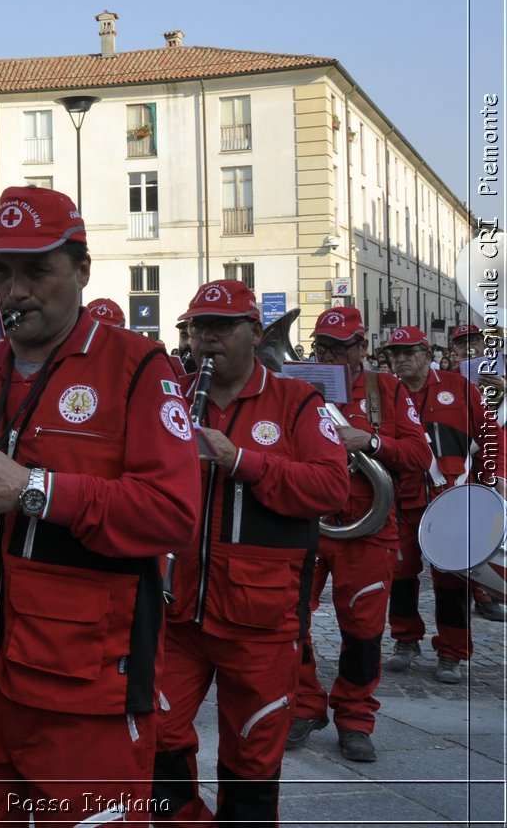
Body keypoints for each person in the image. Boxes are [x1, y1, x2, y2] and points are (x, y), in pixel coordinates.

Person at [0, 186, 200, 824]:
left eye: (37, 270)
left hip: (84, 686)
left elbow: (173, 513)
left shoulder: (139, 366)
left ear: (81, 270)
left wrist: (34, 489)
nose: (16, 290)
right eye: (3, 272)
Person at [151, 281, 347, 825]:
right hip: (177, 612)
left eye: (222, 327)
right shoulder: (169, 396)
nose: (206, 340)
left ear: (256, 332)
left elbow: (331, 488)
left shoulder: (299, 401)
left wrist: (244, 462)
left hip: (260, 619)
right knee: (154, 741)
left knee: (253, 754)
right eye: (197, 329)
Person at [285, 307, 430, 763]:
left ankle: (354, 717)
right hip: (307, 522)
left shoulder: (384, 389)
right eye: (323, 346)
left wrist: (369, 441)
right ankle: (305, 705)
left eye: (340, 347)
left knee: (363, 631)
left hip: (367, 527)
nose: (330, 354)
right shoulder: (295, 388)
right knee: (289, 620)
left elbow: (419, 454)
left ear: (360, 347)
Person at [382, 325, 507, 672]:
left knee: (452, 582)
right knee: (401, 575)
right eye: (395, 354)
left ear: (427, 353)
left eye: (409, 352)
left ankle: (451, 653)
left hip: (451, 500)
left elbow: (491, 435)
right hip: (402, 502)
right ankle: (405, 640)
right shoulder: (386, 391)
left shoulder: (458, 387)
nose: (401, 359)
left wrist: (496, 477)